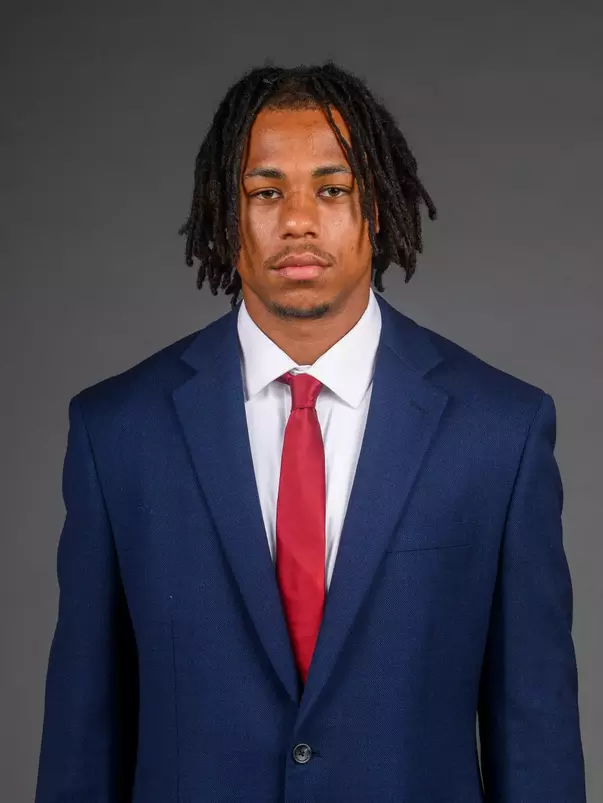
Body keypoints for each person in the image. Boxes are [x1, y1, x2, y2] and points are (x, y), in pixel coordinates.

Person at [35, 61, 587, 803]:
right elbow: (82, 739)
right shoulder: (117, 433)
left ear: (377, 209)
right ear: (225, 213)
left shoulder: (500, 431)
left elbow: (537, 737)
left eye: (332, 189)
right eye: (266, 192)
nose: (298, 220)